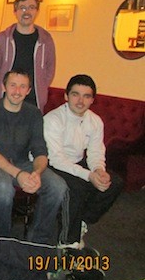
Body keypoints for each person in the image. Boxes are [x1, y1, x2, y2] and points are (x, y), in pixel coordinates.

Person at [0, 70, 67, 245]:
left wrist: (37, 172)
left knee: (58, 187)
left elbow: (40, 151)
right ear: (4, 86)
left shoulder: (34, 113)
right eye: (13, 85)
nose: (17, 91)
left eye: (23, 87)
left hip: (23, 163)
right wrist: (19, 174)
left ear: (29, 90)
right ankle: (1, 240)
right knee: (5, 189)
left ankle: (36, 240)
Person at [43, 74, 123, 248]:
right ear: (66, 96)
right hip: (50, 163)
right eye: (75, 94)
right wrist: (89, 176)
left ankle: (81, 221)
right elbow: (57, 159)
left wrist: (99, 170)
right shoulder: (53, 119)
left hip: (76, 162)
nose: (80, 101)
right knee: (76, 188)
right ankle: (66, 242)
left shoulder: (95, 121)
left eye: (86, 96)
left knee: (114, 182)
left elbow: (95, 151)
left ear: (92, 99)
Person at [0, 0, 55, 113]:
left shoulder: (46, 39)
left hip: (33, 100)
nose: (27, 12)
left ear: (37, 11)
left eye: (31, 7)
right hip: (5, 100)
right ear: (15, 12)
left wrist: (40, 87)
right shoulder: (2, 38)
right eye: (22, 8)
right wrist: (0, 90)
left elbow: (50, 68)